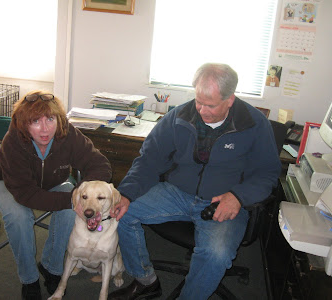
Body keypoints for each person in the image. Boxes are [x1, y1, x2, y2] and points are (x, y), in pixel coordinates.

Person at [108, 63, 281, 300]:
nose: (201, 110)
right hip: (177, 192)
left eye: (210, 105)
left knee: (217, 254)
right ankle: (145, 280)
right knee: (121, 211)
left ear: (230, 99)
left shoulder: (254, 124)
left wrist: (239, 197)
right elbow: (149, 159)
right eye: (199, 101)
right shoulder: (179, 116)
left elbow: (268, 172)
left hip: (222, 202)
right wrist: (126, 193)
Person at [0, 90, 112, 300]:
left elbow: (100, 165)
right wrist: (73, 200)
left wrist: (82, 195)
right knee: (19, 216)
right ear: (24, 124)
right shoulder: (13, 141)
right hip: (7, 183)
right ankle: (29, 279)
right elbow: (26, 194)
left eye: (50, 119)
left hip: (50, 182)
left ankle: (51, 268)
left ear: (59, 119)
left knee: (70, 210)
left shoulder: (67, 133)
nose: (45, 129)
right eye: (36, 121)